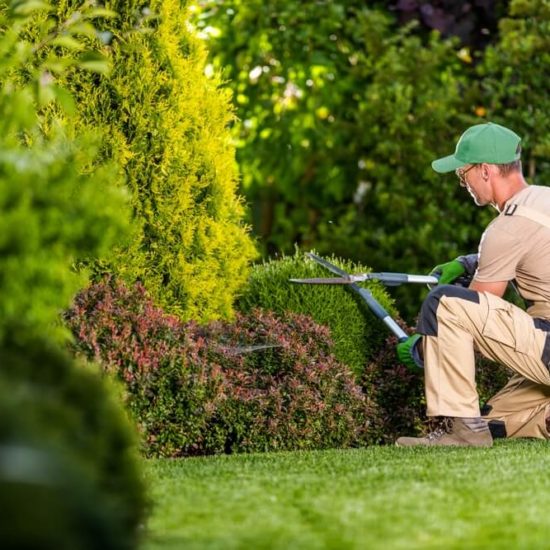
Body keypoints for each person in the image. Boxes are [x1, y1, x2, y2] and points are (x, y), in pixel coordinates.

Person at [395, 122, 550, 447]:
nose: (461, 182)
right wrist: (469, 263)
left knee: (444, 304)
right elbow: (531, 250)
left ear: (485, 170)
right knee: (493, 418)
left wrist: (423, 348)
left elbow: (472, 318)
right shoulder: (542, 200)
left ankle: (465, 433)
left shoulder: (505, 228)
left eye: (462, 173)